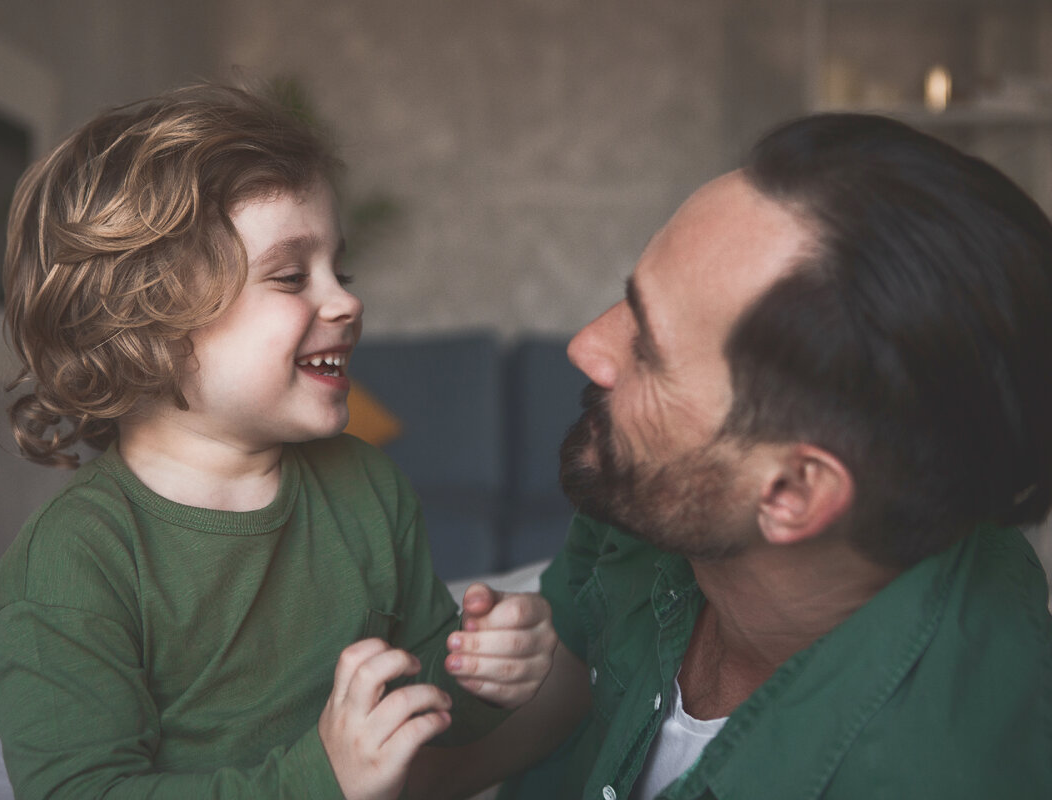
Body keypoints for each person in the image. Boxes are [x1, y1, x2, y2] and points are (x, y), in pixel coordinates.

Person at [409, 113, 1052, 799]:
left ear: (792, 494)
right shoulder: (664, 499)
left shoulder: (934, 767)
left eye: (649, 350)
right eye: (628, 299)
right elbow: (571, 663)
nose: (587, 346)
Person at [0, 83, 556, 800]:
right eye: (291, 276)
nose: (347, 301)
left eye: (338, 270)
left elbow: (422, 700)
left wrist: (482, 677)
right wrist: (322, 780)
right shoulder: (73, 561)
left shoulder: (368, 488)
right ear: (146, 327)